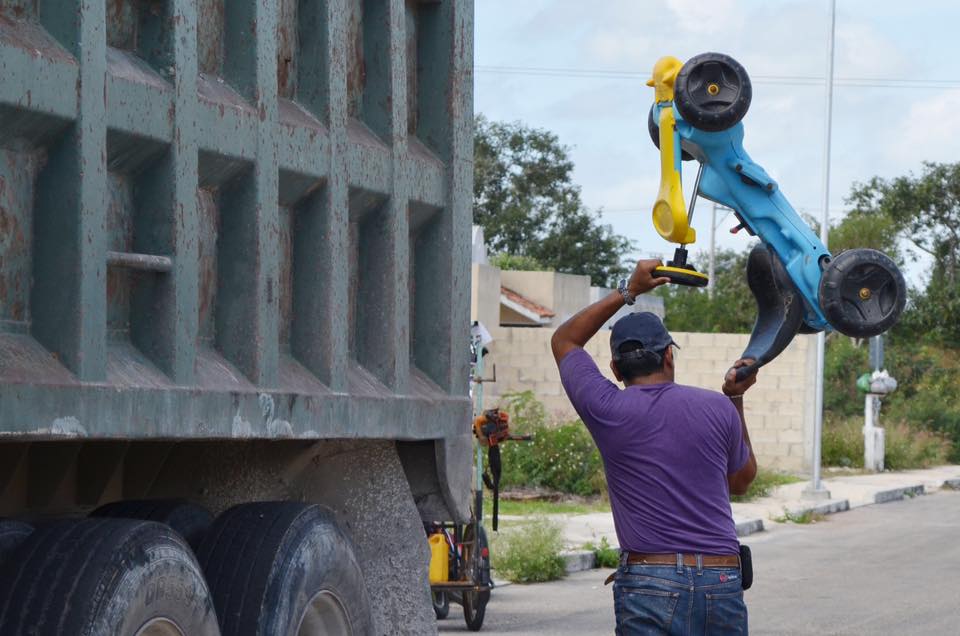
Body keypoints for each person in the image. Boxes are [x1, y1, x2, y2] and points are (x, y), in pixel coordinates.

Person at [550, 258, 758, 635]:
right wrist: (734, 399)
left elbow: (564, 341)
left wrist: (630, 291)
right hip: (721, 579)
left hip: (648, 582)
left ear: (615, 369)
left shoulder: (607, 409)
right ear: (668, 355)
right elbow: (742, 482)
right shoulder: (716, 406)